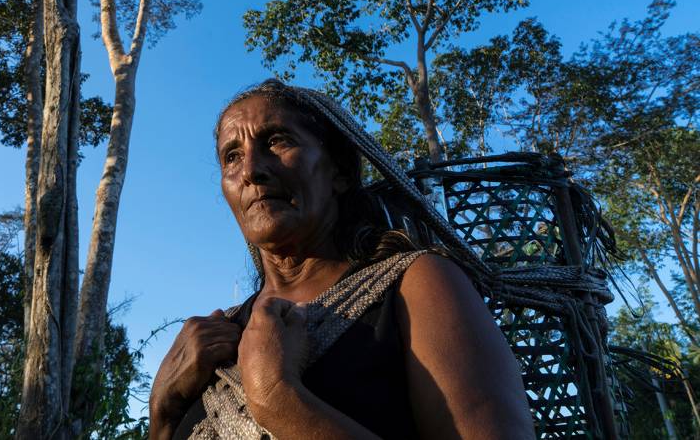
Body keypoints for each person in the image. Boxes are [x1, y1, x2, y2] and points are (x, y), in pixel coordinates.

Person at [149, 80, 534, 439]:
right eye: (232, 156)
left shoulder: (416, 284)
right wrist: (162, 413)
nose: (250, 170)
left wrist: (278, 400)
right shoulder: (218, 337)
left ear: (340, 173)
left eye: (277, 141)